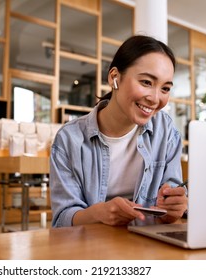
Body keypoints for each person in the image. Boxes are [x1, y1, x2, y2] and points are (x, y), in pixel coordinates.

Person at [50, 35, 187, 228]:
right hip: (90, 250)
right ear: (115, 77)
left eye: (165, 88)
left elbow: (168, 211)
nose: (156, 99)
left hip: (146, 248)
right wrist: (99, 213)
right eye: (147, 82)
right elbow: (62, 219)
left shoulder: (166, 132)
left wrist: (173, 209)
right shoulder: (69, 139)